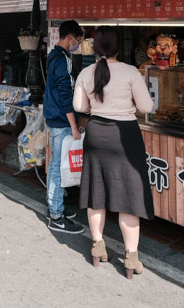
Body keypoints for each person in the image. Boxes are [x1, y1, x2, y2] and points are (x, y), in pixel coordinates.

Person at [73, 26, 154, 279]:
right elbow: (146, 106)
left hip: (97, 134)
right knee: (129, 196)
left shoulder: (87, 73)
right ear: (119, 47)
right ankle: (131, 257)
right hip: (125, 136)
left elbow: (79, 106)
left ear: (95, 47)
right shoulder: (130, 72)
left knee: (96, 191)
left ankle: (98, 246)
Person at [43, 20, 85, 233]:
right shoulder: (62, 60)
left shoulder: (54, 56)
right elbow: (65, 95)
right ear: (70, 38)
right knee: (59, 168)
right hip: (61, 121)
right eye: (77, 40)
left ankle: (54, 206)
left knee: (54, 166)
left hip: (53, 118)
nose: (77, 44)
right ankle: (56, 216)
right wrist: (74, 125)